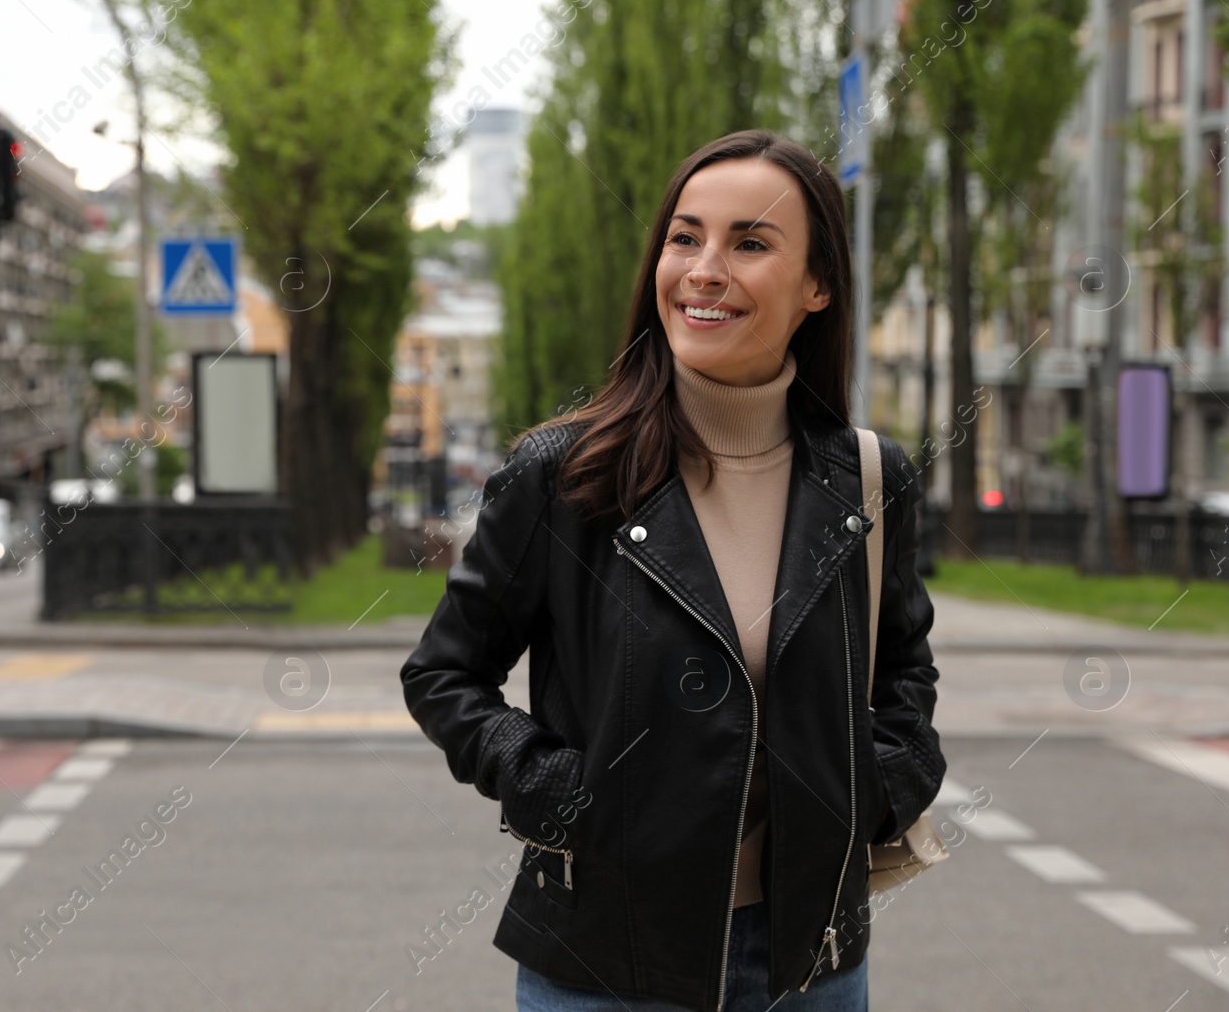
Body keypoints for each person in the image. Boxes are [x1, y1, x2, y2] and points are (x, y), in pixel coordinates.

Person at [400, 128, 946, 1011]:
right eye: (685, 237)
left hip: (812, 962)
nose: (704, 267)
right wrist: (553, 790)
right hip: (607, 964)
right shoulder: (565, 475)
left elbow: (902, 675)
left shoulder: (870, 479)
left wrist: (881, 789)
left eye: (751, 243)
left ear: (819, 286)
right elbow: (443, 673)